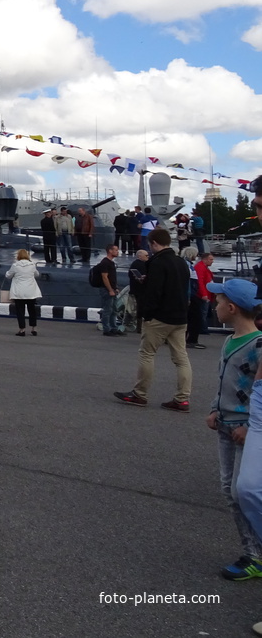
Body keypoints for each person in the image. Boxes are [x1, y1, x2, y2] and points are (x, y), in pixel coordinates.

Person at [199, 279, 262, 581]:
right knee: (229, 491)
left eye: (218, 300)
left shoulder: (258, 345)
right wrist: (214, 407)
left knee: (242, 491)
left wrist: (251, 426)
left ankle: (255, 555)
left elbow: (258, 392)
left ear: (232, 308)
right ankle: (253, 551)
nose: (214, 305)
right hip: (225, 425)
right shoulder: (228, 340)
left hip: (245, 430)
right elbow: (223, 380)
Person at [113, 228, 191, 411]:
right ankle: (182, 399)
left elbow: (154, 292)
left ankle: (140, 394)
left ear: (154, 243)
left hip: (160, 317)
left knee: (147, 354)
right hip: (180, 317)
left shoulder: (157, 263)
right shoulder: (181, 262)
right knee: (181, 358)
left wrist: (146, 314)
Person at [4, 248, 41, 336]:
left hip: (19, 292)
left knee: (20, 311)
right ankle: (34, 328)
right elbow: (37, 274)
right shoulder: (32, 265)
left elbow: (8, 276)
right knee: (32, 310)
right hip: (31, 292)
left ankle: (22, 329)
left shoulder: (15, 265)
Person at [92, 244, 122, 337]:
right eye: (116, 250)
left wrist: (115, 288)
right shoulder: (105, 263)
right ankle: (106, 329)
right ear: (110, 251)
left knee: (114, 310)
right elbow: (105, 277)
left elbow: (112, 277)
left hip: (112, 289)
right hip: (106, 290)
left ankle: (114, 328)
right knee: (107, 310)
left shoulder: (111, 263)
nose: (118, 252)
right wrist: (110, 290)